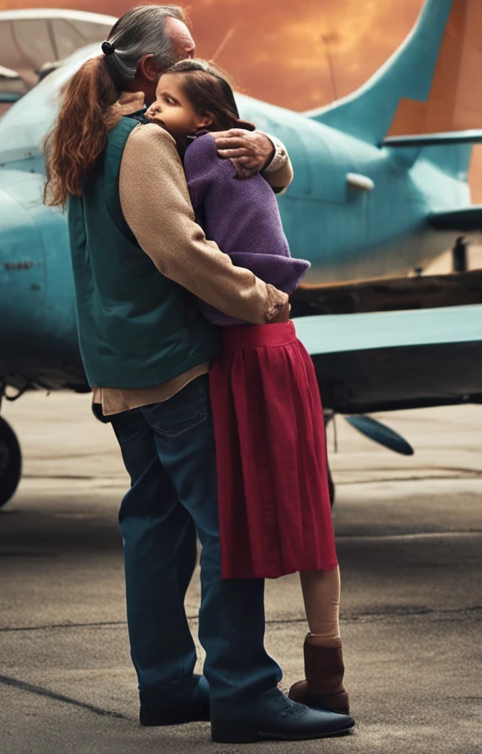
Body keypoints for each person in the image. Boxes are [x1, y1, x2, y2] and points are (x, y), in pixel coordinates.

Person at [43, 3, 353, 744]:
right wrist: (262, 297)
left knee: (155, 524)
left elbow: (240, 160)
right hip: (171, 365)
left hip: (117, 366)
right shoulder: (144, 140)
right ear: (150, 69)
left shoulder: (87, 136)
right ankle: (245, 691)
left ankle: (166, 684)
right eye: (184, 51)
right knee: (229, 528)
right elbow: (177, 250)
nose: (198, 55)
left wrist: (268, 148)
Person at [145, 58, 349, 716]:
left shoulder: (196, 151)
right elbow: (267, 168)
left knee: (238, 520)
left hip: (243, 351)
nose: (154, 113)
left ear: (205, 119)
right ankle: (327, 669)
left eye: (168, 102)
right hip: (284, 349)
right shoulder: (234, 146)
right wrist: (268, 146)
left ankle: (237, 683)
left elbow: (177, 240)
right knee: (313, 518)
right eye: (153, 99)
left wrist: (266, 145)